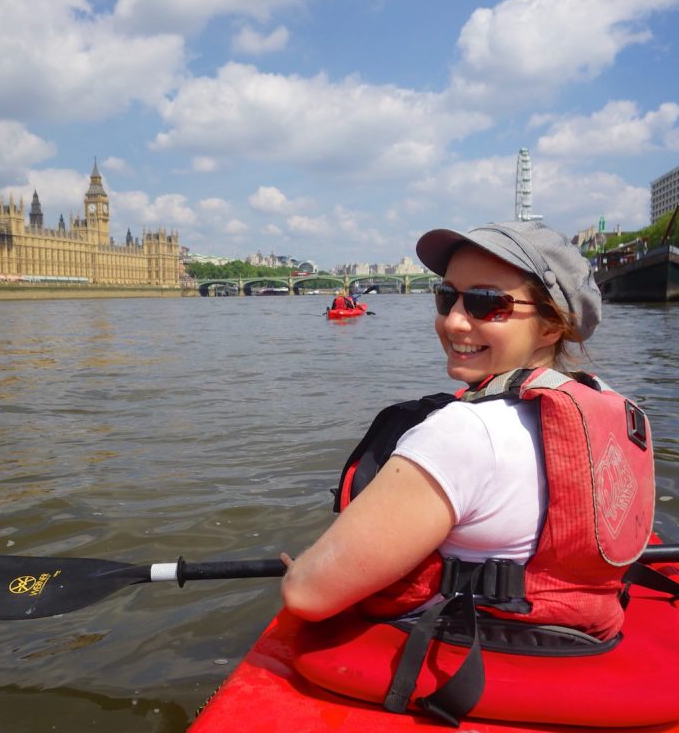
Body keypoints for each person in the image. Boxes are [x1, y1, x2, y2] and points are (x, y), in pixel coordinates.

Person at [281, 220, 656, 701]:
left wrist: (303, 570)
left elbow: (307, 596)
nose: (454, 321)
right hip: (580, 634)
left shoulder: (462, 431)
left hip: (473, 653)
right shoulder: (605, 401)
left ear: (550, 324)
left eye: (487, 303)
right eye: (447, 297)